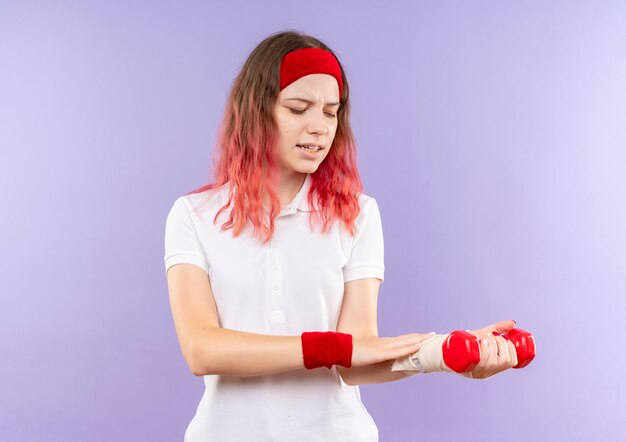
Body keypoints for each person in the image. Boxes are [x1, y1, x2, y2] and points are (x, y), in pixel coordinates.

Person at [163, 30, 519, 442]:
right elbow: (202, 349)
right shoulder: (193, 216)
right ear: (257, 112)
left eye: (331, 112)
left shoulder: (358, 214)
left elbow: (355, 359)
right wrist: (329, 348)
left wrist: (444, 352)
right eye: (298, 108)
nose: (319, 127)